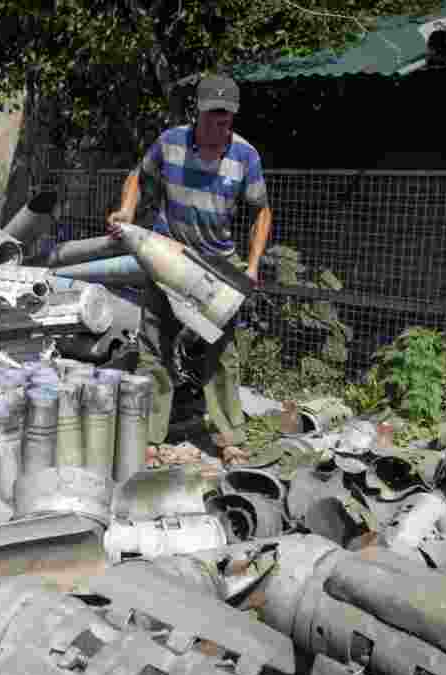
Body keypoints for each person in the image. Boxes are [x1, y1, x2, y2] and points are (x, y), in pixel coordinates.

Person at [106, 73, 273, 467]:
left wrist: (251, 265)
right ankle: (148, 438)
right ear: (198, 111)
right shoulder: (170, 142)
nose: (222, 123)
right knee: (154, 347)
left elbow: (261, 211)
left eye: (228, 116)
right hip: (169, 256)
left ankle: (229, 437)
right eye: (215, 115)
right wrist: (127, 210)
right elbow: (137, 176)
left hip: (217, 266)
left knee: (221, 352)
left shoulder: (245, 156)